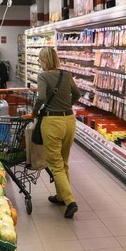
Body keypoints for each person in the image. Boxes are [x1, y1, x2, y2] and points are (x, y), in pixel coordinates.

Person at [33, 47, 81, 218]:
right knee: (64, 161)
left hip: (52, 122)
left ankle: (70, 201)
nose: (40, 63)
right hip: (69, 120)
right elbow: (77, 94)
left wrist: (34, 112)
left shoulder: (43, 76)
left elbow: (41, 97)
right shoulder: (66, 74)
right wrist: (67, 104)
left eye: (40, 60)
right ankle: (61, 196)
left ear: (45, 61)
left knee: (55, 164)